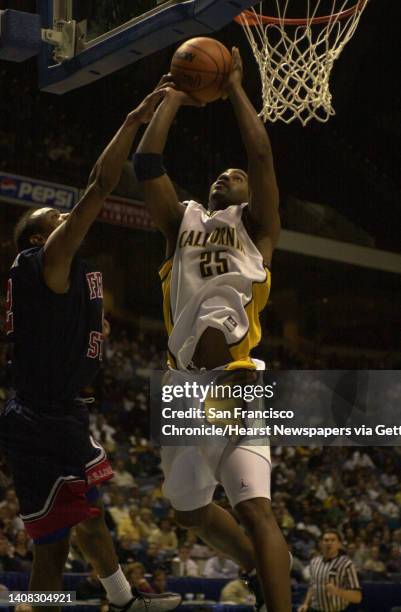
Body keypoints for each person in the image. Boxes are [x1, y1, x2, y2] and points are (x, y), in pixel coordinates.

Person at [0, 81, 181, 612]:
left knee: (74, 528)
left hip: (52, 412)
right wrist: (133, 118)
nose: (64, 219)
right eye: (53, 220)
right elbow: (100, 184)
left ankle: (119, 600)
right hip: (41, 419)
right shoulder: (44, 264)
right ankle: (100, 603)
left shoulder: (53, 276)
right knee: (64, 538)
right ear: (38, 239)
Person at [134, 47, 290, 612]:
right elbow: (147, 164)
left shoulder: (258, 231)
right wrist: (174, 95)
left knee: (255, 504)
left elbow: (262, 153)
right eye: (223, 173)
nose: (230, 173)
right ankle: (253, 564)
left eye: (238, 175)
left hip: (236, 375)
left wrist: (236, 88)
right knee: (188, 508)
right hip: (182, 384)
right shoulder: (184, 222)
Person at [298, 530, 362, 612]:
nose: (329, 543)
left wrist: (337, 591)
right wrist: (306, 604)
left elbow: (357, 597)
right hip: (315, 609)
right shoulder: (314, 562)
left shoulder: (346, 564)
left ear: (339, 544)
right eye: (326, 540)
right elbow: (312, 586)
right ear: (320, 544)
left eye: (333, 540)